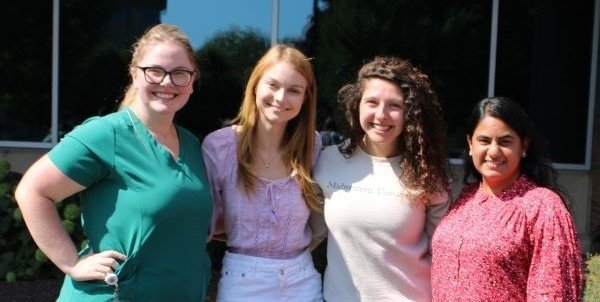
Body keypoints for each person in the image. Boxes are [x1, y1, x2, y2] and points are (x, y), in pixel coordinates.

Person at [14, 24, 213, 301]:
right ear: (135, 74)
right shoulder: (106, 134)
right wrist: (71, 263)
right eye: (155, 71)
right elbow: (32, 191)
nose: (167, 82)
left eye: (180, 73)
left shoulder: (191, 144)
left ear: (192, 81)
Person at [313, 56, 450, 301]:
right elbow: (304, 232)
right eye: (372, 102)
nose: (381, 114)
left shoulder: (427, 174)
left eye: (394, 105)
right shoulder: (327, 161)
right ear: (357, 105)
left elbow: (443, 256)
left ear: (410, 112)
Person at [201, 44, 324, 302]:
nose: (281, 98)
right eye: (273, 85)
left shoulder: (312, 146)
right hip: (243, 279)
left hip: (302, 277)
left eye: (294, 90)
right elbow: (202, 222)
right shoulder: (220, 146)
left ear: (305, 98)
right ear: (255, 85)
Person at [431, 97, 585, 301]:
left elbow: (554, 292)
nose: (493, 152)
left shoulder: (542, 206)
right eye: (484, 141)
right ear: (470, 144)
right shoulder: (466, 199)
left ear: (524, 145)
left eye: (505, 142)